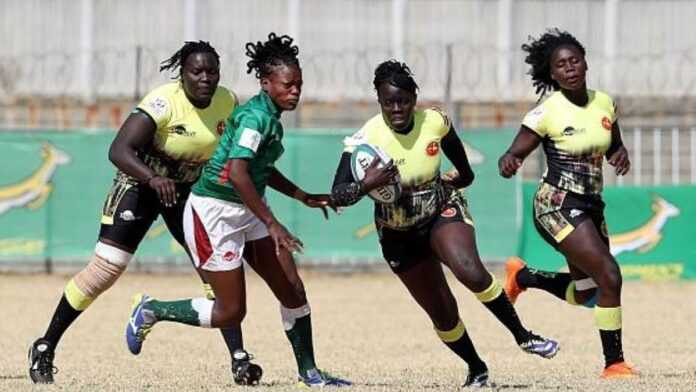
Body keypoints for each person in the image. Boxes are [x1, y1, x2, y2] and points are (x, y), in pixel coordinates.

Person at [28, 41, 262, 386]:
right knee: (104, 271)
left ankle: (239, 360)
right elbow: (119, 149)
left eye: (211, 71)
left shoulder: (227, 102)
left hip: (189, 191)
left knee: (218, 272)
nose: (205, 78)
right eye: (196, 71)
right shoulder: (163, 102)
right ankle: (45, 346)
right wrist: (152, 178)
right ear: (182, 75)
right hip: (141, 183)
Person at [124, 33, 351, 388]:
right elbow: (238, 173)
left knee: (292, 289)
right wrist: (273, 222)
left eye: (299, 85)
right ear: (265, 83)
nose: (296, 92)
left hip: (245, 208)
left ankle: (310, 373)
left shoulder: (271, 116)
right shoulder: (254, 118)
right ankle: (152, 309)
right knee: (231, 311)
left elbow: (259, 169)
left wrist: (302, 196)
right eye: (288, 85)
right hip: (213, 213)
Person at [330, 60, 559, 388]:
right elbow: (338, 195)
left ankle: (523, 336)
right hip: (397, 232)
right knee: (442, 312)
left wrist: (465, 175)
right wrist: (368, 184)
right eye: (388, 102)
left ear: (414, 98)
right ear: (379, 101)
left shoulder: (433, 121)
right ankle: (476, 368)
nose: (397, 108)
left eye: (404, 101)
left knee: (470, 271)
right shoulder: (365, 140)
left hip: (440, 209)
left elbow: (453, 146)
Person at [497, 29, 637, 379]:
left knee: (589, 293)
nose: (570, 68)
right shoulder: (546, 112)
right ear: (553, 74)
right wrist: (509, 161)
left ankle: (524, 276)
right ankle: (614, 364)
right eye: (561, 65)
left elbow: (613, 143)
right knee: (609, 274)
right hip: (555, 204)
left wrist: (620, 154)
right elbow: (514, 152)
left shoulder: (605, 102)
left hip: (591, 205)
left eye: (575, 60)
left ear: (586, 62)